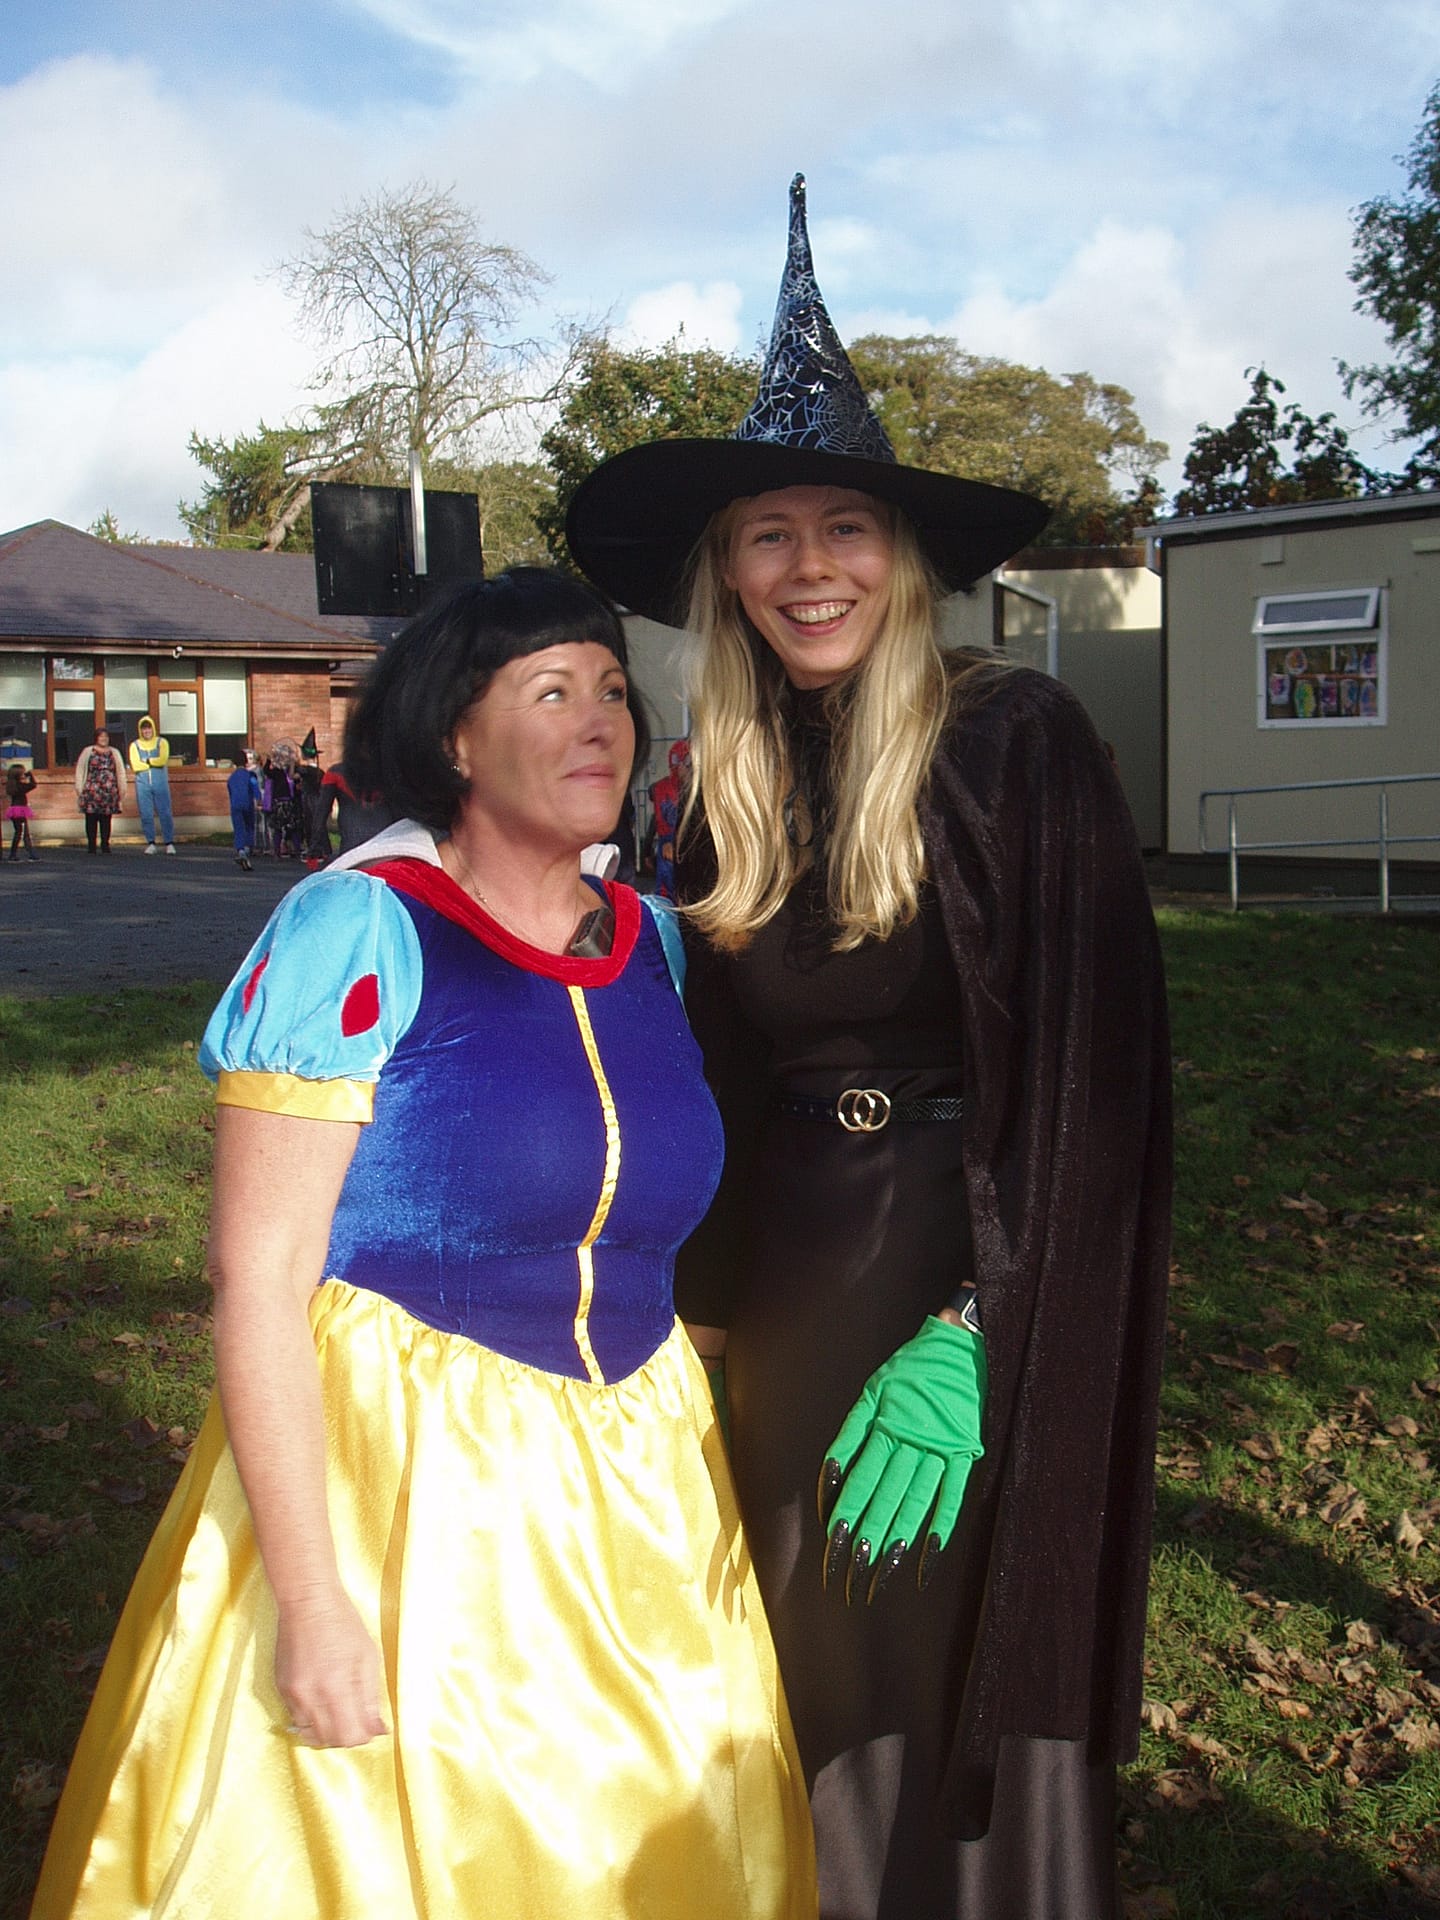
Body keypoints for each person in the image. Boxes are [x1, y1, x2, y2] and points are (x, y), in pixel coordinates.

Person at [29, 567, 815, 1920]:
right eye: (550, 692)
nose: (599, 721)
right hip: (406, 1488)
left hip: (639, 1485)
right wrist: (313, 1601)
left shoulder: (652, 946)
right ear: (455, 737)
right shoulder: (359, 925)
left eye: (612, 690)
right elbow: (258, 1278)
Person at [567, 176, 1172, 1920]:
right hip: (792, 1291)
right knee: (799, 1659)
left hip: (968, 1280)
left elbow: (1102, 1087)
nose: (809, 567)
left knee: (941, 1653)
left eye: (845, 528)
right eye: (768, 536)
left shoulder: (1016, 740)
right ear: (726, 570)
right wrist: (688, 1319)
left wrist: (984, 1327)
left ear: (901, 558)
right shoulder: (720, 790)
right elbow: (713, 1080)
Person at [74, 729, 127, 854]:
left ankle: (105, 844)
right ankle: (91, 845)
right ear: (96, 738)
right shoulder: (88, 751)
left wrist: (122, 789)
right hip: (91, 791)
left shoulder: (114, 752)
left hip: (109, 792)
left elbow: (120, 771)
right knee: (91, 819)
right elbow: (80, 770)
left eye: (106, 736)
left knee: (106, 820)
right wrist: (79, 788)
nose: (104, 739)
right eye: (101, 736)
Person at [129, 715, 176, 854]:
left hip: (160, 783)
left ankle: (169, 843)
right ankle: (151, 842)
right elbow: (136, 765)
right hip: (142, 783)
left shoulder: (162, 742)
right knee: (146, 814)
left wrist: (147, 761)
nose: (147, 731)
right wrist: (151, 763)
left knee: (165, 812)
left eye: (149, 728)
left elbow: (162, 760)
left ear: (153, 728)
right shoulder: (135, 745)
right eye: (144, 728)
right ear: (140, 730)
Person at [297, 727, 333, 868]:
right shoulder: (319, 771)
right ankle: (323, 850)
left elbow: (294, 773)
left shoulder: (307, 770)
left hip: (311, 800)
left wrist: (293, 763)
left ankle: (317, 850)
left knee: (312, 825)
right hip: (318, 799)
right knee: (318, 825)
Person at [226, 751, 261, 870]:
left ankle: (240, 850)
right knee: (249, 827)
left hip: (235, 805)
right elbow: (254, 787)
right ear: (246, 761)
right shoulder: (250, 775)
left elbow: (230, 792)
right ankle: (247, 849)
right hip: (247, 804)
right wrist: (258, 799)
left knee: (238, 828)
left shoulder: (231, 777)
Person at [5, 761, 39, 860]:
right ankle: (28, 853)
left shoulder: (11, 786)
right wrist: (30, 775)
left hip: (14, 810)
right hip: (20, 811)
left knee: (18, 832)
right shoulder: (20, 786)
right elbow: (33, 785)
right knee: (24, 832)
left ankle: (14, 853)